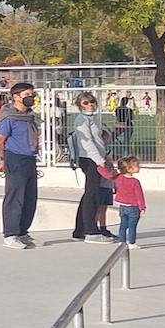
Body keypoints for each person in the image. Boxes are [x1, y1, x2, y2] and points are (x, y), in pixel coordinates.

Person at [0, 81, 41, 248]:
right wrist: (6, 157)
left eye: (32, 95)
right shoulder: (9, 117)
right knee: (15, 197)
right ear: (16, 97)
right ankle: (10, 234)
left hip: (30, 158)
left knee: (30, 197)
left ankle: (22, 232)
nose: (31, 98)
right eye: (27, 95)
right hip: (15, 158)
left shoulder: (31, 116)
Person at [65, 92, 115, 242]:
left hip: (96, 158)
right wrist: (99, 160)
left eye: (92, 101)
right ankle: (91, 231)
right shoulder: (82, 120)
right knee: (92, 195)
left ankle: (79, 231)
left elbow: (98, 141)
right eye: (86, 103)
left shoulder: (93, 119)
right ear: (80, 106)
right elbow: (87, 143)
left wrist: (104, 155)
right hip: (89, 159)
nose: (90, 104)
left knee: (90, 194)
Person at [99, 155, 147, 245]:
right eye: (137, 165)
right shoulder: (135, 182)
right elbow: (139, 195)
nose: (139, 167)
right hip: (133, 207)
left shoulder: (119, 178)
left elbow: (107, 175)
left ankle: (122, 241)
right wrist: (142, 207)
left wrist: (100, 167)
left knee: (123, 225)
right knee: (132, 226)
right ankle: (132, 243)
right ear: (130, 169)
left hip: (122, 206)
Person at [113, 93, 134, 158]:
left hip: (119, 125)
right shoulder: (129, 110)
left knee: (112, 137)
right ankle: (125, 154)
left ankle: (111, 150)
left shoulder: (117, 109)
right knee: (126, 140)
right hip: (128, 125)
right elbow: (132, 118)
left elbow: (117, 116)